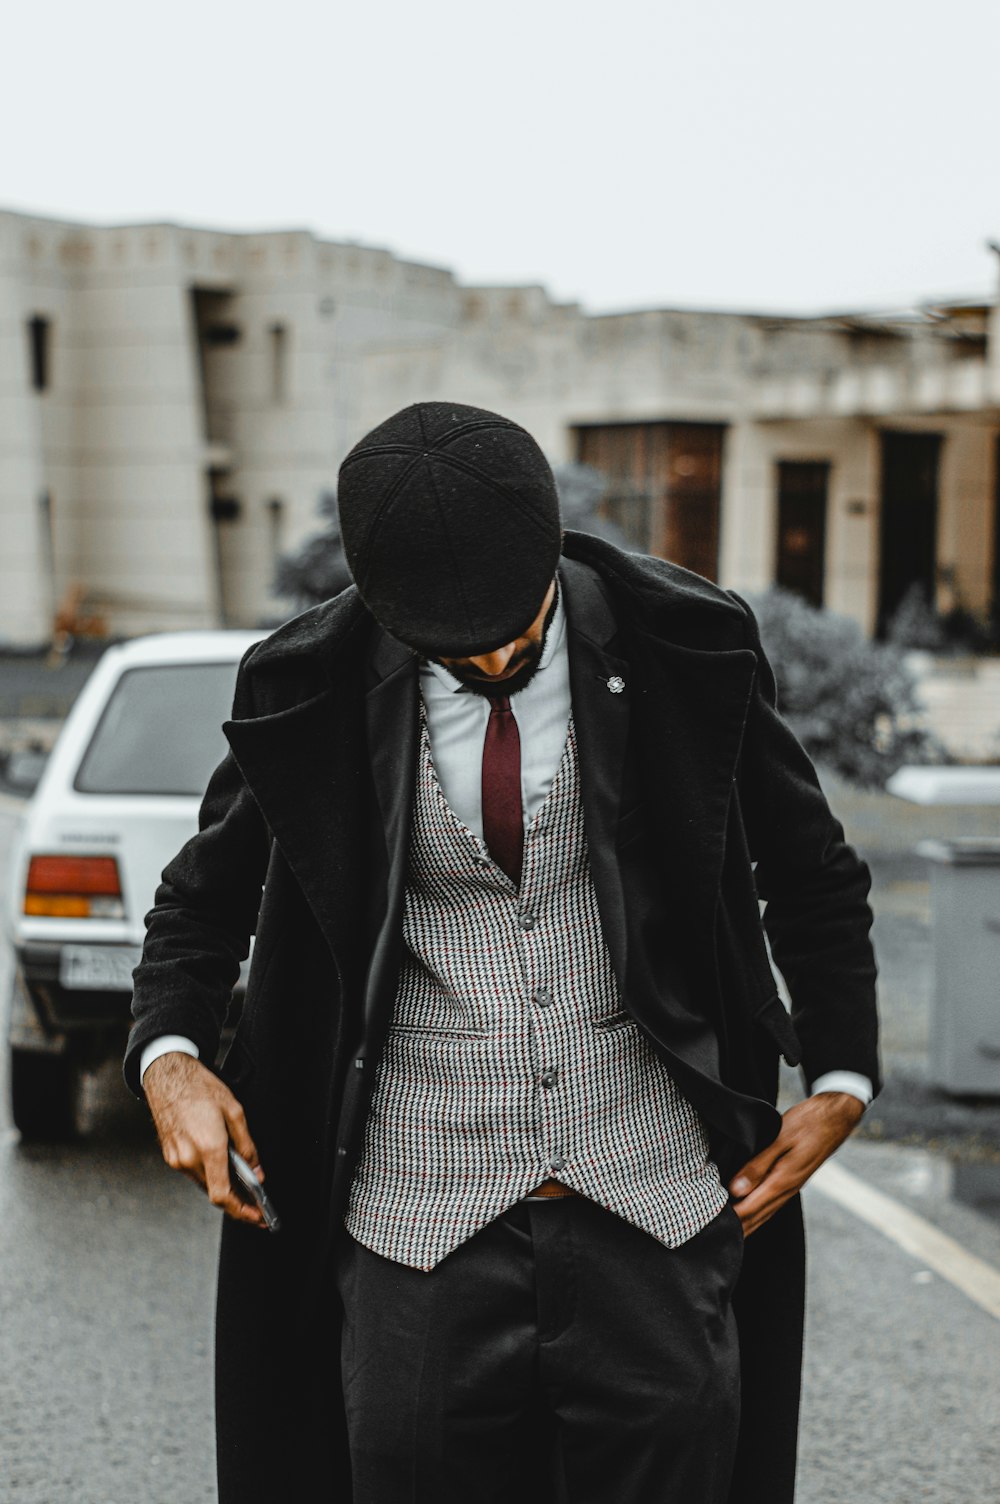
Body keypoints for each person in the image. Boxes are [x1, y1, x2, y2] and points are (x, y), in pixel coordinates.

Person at [126, 401, 879, 1504]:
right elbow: (197, 908)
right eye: (450, 640)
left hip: (654, 1196)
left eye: (512, 627)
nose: (488, 652)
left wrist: (842, 1080)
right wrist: (172, 1060)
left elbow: (811, 872)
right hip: (413, 1214)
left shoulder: (687, 640)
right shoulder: (304, 682)